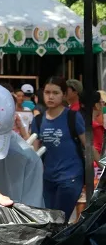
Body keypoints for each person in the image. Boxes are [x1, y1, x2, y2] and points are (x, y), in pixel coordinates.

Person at [31, 77, 87, 220]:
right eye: (47, 92)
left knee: (59, 220)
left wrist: (102, 164)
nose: (50, 96)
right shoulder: (38, 120)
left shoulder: (73, 117)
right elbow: (34, 152)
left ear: (64, 94)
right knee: (48, 220)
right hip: (47, 178)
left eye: (55, 93)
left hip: (71, 177)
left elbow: (88, 145)